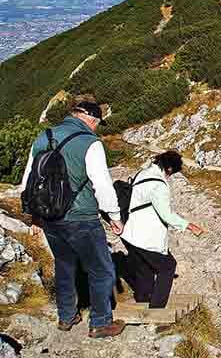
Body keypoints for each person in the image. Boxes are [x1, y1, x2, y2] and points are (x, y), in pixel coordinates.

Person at [20, 102, 125, 338]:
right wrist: (115, 217)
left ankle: (66, 317)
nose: (96, 129)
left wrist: (35, 217)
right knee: (102, 270)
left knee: (65, 266)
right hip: (81, 219)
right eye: (97, 124)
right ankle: (100, 322)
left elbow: (28, 180)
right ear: (91, 120)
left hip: (50, 217)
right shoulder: (90, 143)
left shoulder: (43, 136)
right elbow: (103, 186)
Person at [120, 151, 204, 308]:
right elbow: (166, 214)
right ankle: (157, 310)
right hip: (146, 235)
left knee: (144, 267)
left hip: (130, 232)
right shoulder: (159, 184)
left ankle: (143, 302)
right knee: (168, 266)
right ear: (170, 169)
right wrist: (189, 226)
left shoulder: (142, 174)